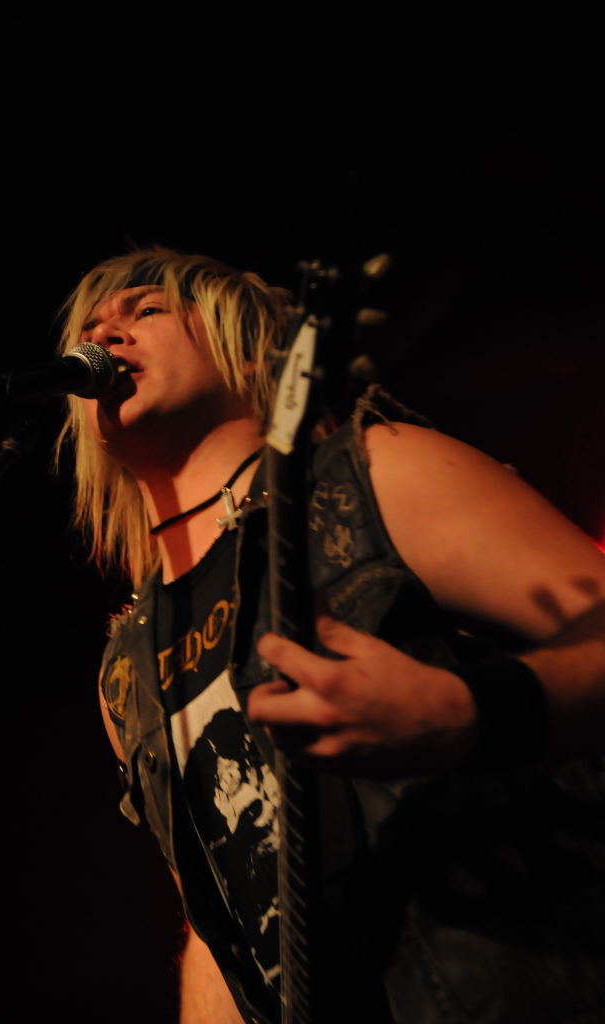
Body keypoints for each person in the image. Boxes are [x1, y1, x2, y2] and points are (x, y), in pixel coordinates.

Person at [56, 246, 605, 1023]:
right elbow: (220, 927)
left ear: (246, 346)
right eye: (90, 328)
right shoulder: (128, 668)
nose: (105, 334)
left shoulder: (372, 476)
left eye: (146, 310)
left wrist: (469, 712)